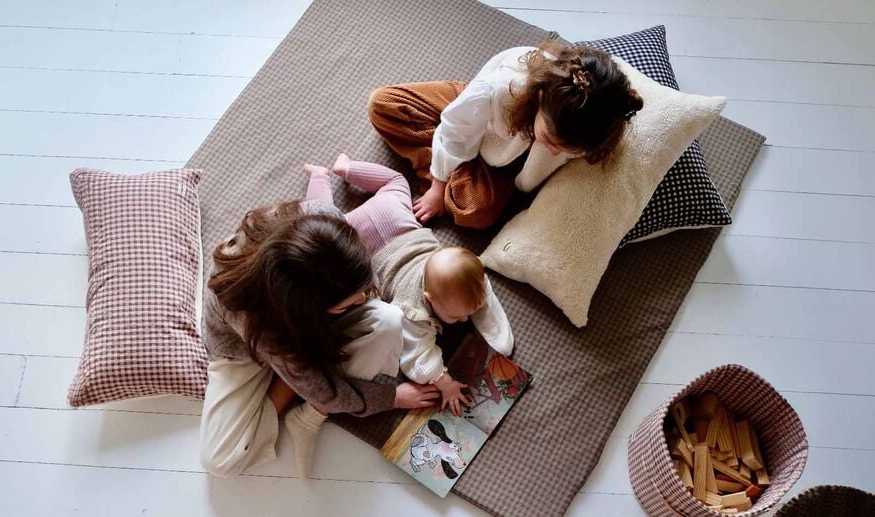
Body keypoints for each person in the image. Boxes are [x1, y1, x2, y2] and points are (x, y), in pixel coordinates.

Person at [288, 153, 514, 460]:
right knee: (323, 226)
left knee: (396, 182)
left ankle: (342, 168)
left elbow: (478, 289)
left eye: (468, 313)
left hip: (392, 215)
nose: (462, 322)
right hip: (361, 239)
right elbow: (418, 358)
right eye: (456, 315)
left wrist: (499, 337)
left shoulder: (460, 271)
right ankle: (322, 178)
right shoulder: (414, 311)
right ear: (430, 301)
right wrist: (444, 383)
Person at [199, 199, 441, 480]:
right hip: (245, 352)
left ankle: (298, 379)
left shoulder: (324, 217)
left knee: (389, 320)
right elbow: (326, 393)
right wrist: (392, 398)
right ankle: (289, 387)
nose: (363, 299)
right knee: (219, 460)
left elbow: (367, 289)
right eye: (347, 303)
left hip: (304, 324)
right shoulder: (253, 316)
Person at [368, 42, 644, 229]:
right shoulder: (501, 90)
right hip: (481, 116)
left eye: (567, 149)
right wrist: (438, 187)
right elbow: (456, 125)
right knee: (384, 104)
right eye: (551, 139)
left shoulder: (597, 125)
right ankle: (441, 165)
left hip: (503, 160)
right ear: (538, 98)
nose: (557, 151)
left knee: (475, 212)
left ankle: (453, 164)